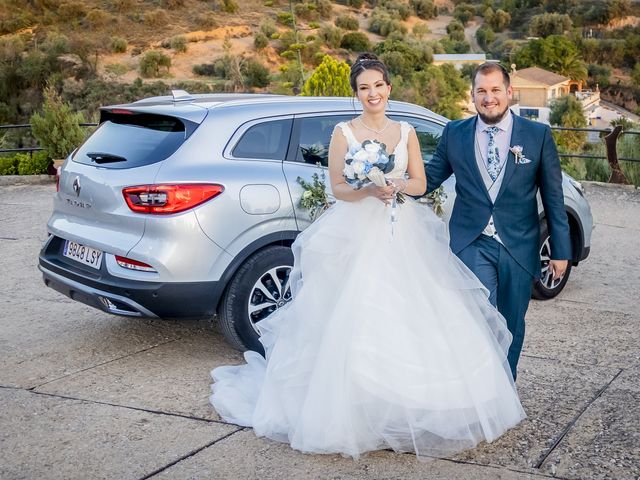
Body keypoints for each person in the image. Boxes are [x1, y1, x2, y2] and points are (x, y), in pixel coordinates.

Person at [210, 53, 525, 460]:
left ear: (388, 88)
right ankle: (353, 413)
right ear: (356, 93)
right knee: (354, 314)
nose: (372, 93)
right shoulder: (344, 132)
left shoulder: (407, 130)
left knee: (415, 314)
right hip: (356, 231)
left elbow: (420, 181)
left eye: (378, 85)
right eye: (364, 88)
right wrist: (367, 189)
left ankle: (406, 408)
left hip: (402, 232)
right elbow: (338, 187)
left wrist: (396, 186)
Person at [426, 62, 571, 380]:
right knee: (479, 318)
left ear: (508, 93)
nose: (488, 97)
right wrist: (388, 182)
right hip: (471, 242)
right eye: (481, 91)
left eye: (494, 90)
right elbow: (428, 179)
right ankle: (479, 391)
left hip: (518, 245)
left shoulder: (537, 135)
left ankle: (505, 388)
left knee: (511, 323)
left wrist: (561, 251)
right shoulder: (455, 133)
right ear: (473, 95)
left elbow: (553, 197)